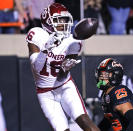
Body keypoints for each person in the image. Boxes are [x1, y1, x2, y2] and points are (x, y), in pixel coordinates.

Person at [26, 3, 100, 131]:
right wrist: (45, 50)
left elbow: (61, 75)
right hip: (46, 94)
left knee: (85, 121)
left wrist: (65, 68)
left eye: (65, 19)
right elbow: (36, 68)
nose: (63, 23)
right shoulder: (37, 34)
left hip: (65, 86)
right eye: (59, 20)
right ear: (48, 21)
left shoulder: (73, 42)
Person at [95, 58, 133, 131]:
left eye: (105, 74)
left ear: (116, 75)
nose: (101, 77)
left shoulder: (118, 91)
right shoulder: (106, 95)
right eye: (101, 74)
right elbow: (109, 121)